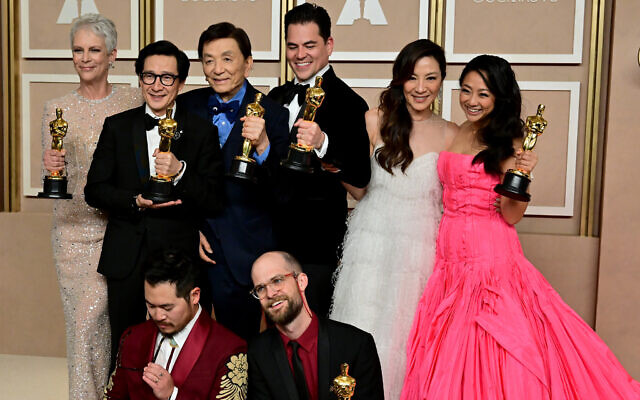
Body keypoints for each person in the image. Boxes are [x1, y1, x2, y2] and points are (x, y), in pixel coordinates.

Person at [400, 55, 640, 399]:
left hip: (489, 256)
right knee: (450, 348)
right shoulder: (462, 130)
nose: (471, 100)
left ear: (499, 96)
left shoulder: (511, 140)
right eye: (465, 91)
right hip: (448, 258)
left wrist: (523, 174)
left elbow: (511, 215)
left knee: (493, 345)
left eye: (483, 94)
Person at [329, 39, 458, 400]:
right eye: (412, 77)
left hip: (422, 252)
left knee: (407, 338)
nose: (421, 87)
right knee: (363, 329)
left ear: (441, 81)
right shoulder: (374, 120)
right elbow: (359, 190)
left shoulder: (452, 133)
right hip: (371, 244)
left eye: (430, 78)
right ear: (399, 78)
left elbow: (457, 199)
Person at [85, 40, 224, 372]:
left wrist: (180, 172)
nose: (157, 86)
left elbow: (214, 197)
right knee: (126, 345)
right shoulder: (117, 126)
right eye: (149, 76)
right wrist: (133, 201)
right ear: (139, 78)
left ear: (181, 82)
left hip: (180, 253)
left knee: (185, 348)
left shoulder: (201, 131)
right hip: (126, 252)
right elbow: (95, 190)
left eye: (167, 78)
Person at [40, 14, 143, 400]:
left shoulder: (133, 100)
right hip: (70, 233)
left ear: (113, 55)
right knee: (82, 332)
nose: (84, 58)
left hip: (118, 231)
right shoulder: (56, 108)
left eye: (93, 50)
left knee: (112, 328)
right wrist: (48, 166)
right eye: (78, 50)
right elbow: (53, 170)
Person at [177, 22, 290, 341]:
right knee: (187, 348)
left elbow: (284, 192)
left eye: (227, 58)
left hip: (244, 251)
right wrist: (192, 228)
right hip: (192, 248)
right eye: (208, 60)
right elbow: (173, 177)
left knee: (238, 351)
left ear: (248, 62)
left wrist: (265, 146)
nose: (217, 69)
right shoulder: (186, 107)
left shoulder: (275, 114)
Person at [268, 3, 371, 318]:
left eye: (310, 45)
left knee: (313, 340)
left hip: (316, 245)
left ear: (329, 45)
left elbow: (361, 177)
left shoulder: (349, 103)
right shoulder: (274, 98)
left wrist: (324, 143)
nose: (300, 54)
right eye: (293, 46)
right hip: (270, 240)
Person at [104, 249, 247, 400]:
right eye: (151, 306)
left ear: (194, 296)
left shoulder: (230, 350)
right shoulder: (132, 337)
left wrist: (173, 395)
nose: (158, 316)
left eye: (167, 308)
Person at [247, 251, 384, 400]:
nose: (270, 293)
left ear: (301, 281)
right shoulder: (257, 353)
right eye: (260, 288)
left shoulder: (356, 345)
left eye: (277, 280)